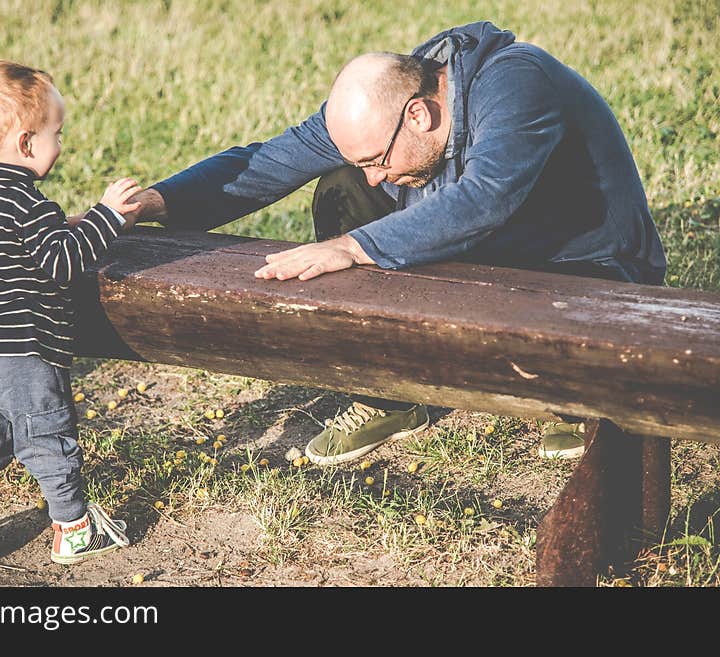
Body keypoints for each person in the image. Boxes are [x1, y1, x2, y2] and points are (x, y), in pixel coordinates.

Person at [122, 21, 666, 464]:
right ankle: (391, 390)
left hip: (587, 269)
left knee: (370, 222)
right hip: (492, 254)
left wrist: (352, 246)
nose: (377, 177)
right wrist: (154, 203)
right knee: (342, 185)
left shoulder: (518, 83)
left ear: (419, 114)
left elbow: (484, 200)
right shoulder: (392, 99)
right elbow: (270, 161)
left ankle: (580, 402)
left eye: (379, 160)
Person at [0, 60, 139, 571]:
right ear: (27, 143)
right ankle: (74, 529)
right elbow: (61, 260)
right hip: (26, 353)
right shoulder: (30, 206)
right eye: (57, 134)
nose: (61, 144)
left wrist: (64, 224)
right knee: (47, 440)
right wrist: (107, 216)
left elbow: (15, 248)